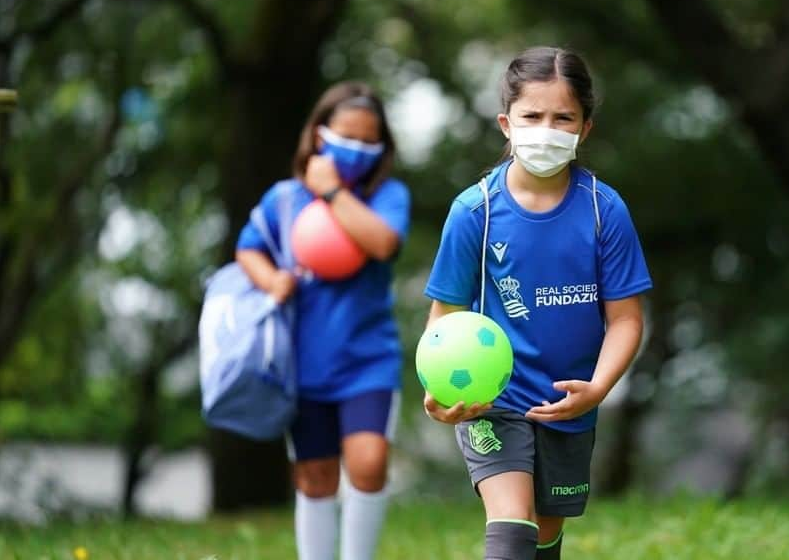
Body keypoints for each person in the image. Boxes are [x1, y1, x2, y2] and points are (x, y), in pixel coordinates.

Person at [423, 46, 652, 560]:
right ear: (507, 123)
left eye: (563, 117)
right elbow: (444, 319)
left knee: (544, 536)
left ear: (585, 128)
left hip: (567, 402)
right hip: (492, 400)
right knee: (512, 522)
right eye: (532, 116)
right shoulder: (473, 212)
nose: (546, 129)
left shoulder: (604, 211)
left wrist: (596, 389)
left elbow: (626, 320)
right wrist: (437, 390)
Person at [235, 82, 410, 560]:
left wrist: (332, 190)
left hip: (368, 361)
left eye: (366, 141)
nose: (355, 149)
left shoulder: (387, 196)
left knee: (368, 463)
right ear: (318, 136)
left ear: (381, 148)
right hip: (303, 365)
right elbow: (248, 248)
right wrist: (272, 280)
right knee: (314, 476)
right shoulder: (285, 199)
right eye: (344, 137)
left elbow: (382, 244)